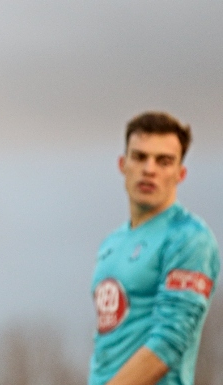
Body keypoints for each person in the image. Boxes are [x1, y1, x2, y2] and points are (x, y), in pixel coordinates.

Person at [90, 111, 220, 385]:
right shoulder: (112, 243)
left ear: (180, 173)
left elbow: (168, 343)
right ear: (122, 164)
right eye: (140, 157)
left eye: (164, 161)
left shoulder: (189, 237)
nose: (149, 169)